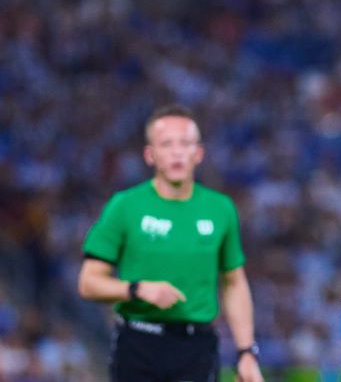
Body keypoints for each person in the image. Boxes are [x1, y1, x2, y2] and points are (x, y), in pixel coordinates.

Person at [78, 105, 264, 382]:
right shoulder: (125, 206)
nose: (177, 152)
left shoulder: (220, 208)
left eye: (185, 143)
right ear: (149, 154)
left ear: (198, 153)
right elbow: (89, 282)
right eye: (166, 144)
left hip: (197, 348)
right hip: (137, 343)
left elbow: (233, 282)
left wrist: (246, 352)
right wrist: (137, 289)